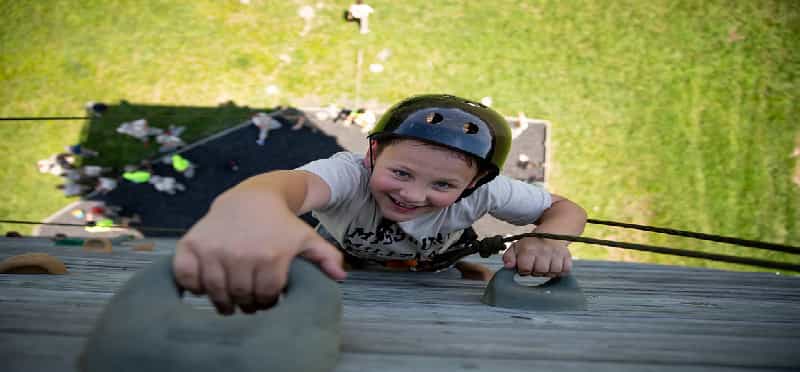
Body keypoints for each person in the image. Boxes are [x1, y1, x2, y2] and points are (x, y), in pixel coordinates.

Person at [174, 94, 586, 315]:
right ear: (372, 155)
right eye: (401, 174)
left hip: (435, 272)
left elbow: (567, 210)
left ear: (476, 182)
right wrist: (254, 206)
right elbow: (289, 186)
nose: (412, 194)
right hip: (340, 261)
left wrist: (548, 242)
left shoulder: (487, 192)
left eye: (442, 184)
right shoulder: (349, 174)